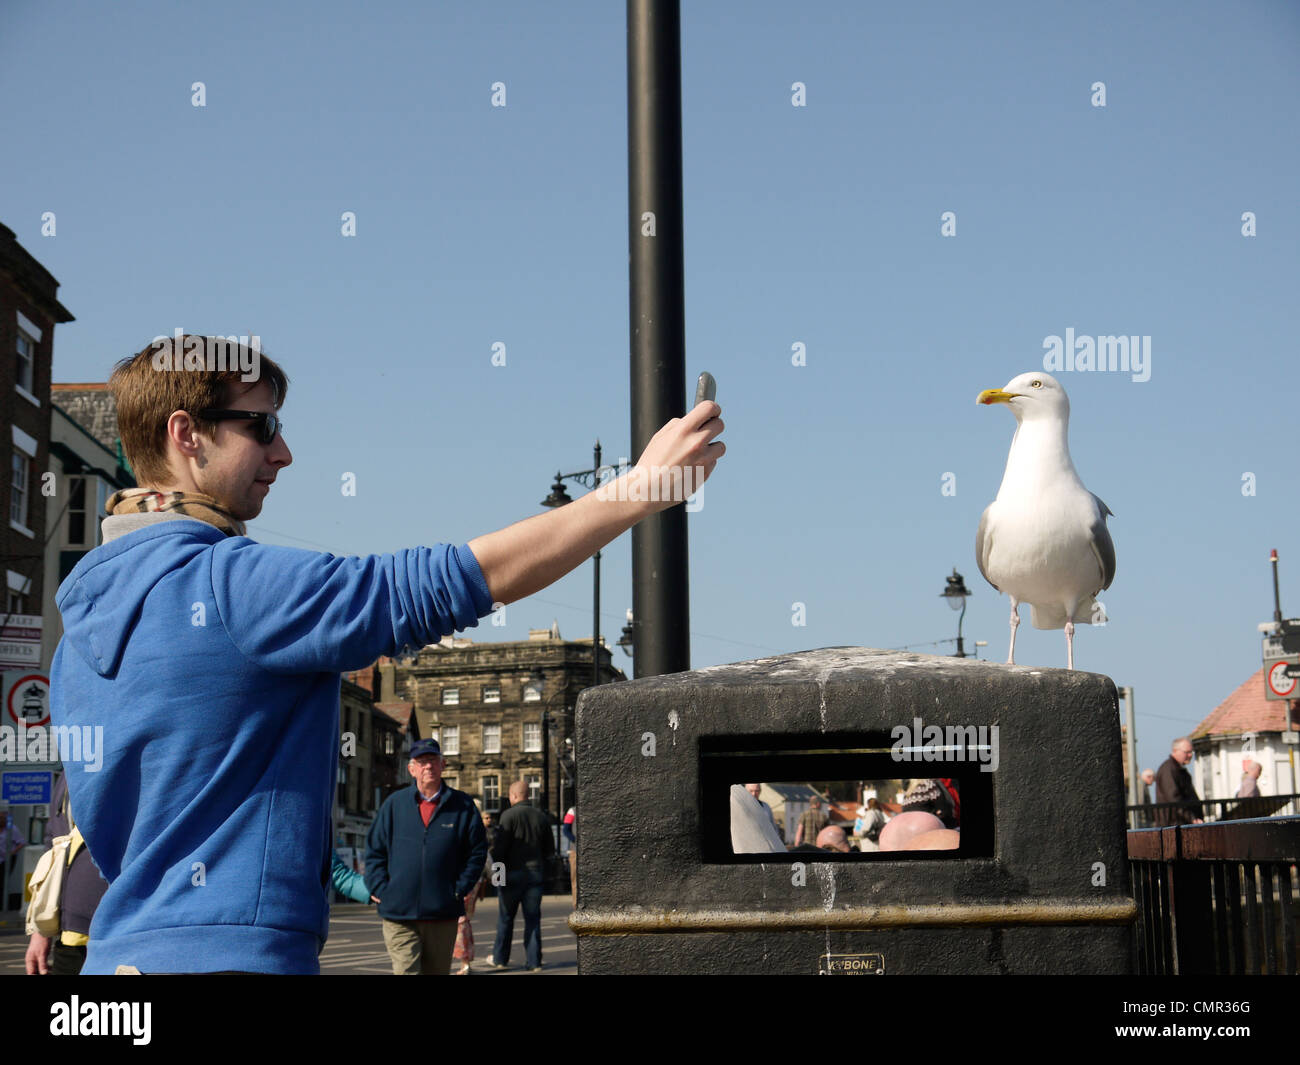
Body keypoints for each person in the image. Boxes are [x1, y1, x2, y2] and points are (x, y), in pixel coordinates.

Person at [50, 335, 725, 975]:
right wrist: (643, 486)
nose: (282, 451)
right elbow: (445, 581)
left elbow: (104, 833)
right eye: (261, 426)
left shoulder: (79, 630)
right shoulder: (230, 585)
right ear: (185, 433)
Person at [364, 739, 486, 975]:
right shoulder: (394, 805)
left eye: (432, 761)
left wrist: (459, 888)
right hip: (398, 913)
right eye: (421, 762)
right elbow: (374, 851)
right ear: (412, 769)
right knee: (407, 971)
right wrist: (380, 887)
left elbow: (477, 852)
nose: (427, 767)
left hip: (442, 912)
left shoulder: (463, 805)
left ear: (443, 765)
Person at [24, 776, 109, 975]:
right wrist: (41, 930)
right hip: (71, 935)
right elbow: (53, 843)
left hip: (121, 931)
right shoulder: (67, 771)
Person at [490, 780, 555, 971]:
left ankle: (500, 959)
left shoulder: (507, 816)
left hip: (511, 873)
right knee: (533, 919)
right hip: (535, 874)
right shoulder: (541, 817)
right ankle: (534, 962)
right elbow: (549, 850)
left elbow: (500, 850)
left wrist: (497, 877)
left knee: (506, 918)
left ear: (514, 796)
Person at [1154, 737, 1202, 826]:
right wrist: (1192, 818)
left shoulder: (1178, 769)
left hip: (1180, 823)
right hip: (1173, 825)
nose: (1190, 755)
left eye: (1191, 752)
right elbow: (1174, 798)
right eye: (1187, 752)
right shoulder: (1169, 770)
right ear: (1175, 751)